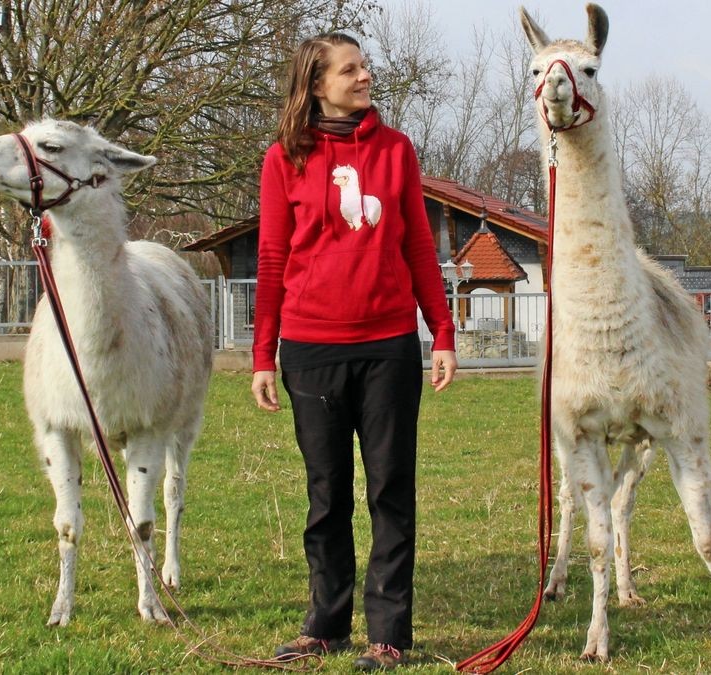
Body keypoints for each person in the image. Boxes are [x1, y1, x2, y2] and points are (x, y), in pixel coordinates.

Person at [250, 31, 458, 672]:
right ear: (317, 84)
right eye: (351, 69)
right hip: (311, 349)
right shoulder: (284, 157)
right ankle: (326, 623)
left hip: (388, 347)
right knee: (327, 493)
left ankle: (389, 632)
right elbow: (273, 257)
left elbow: (419, 246)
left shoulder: (397, 151)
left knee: (391, 490)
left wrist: (441, 331)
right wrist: (264, 352)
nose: (365, 76)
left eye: (366, 66)